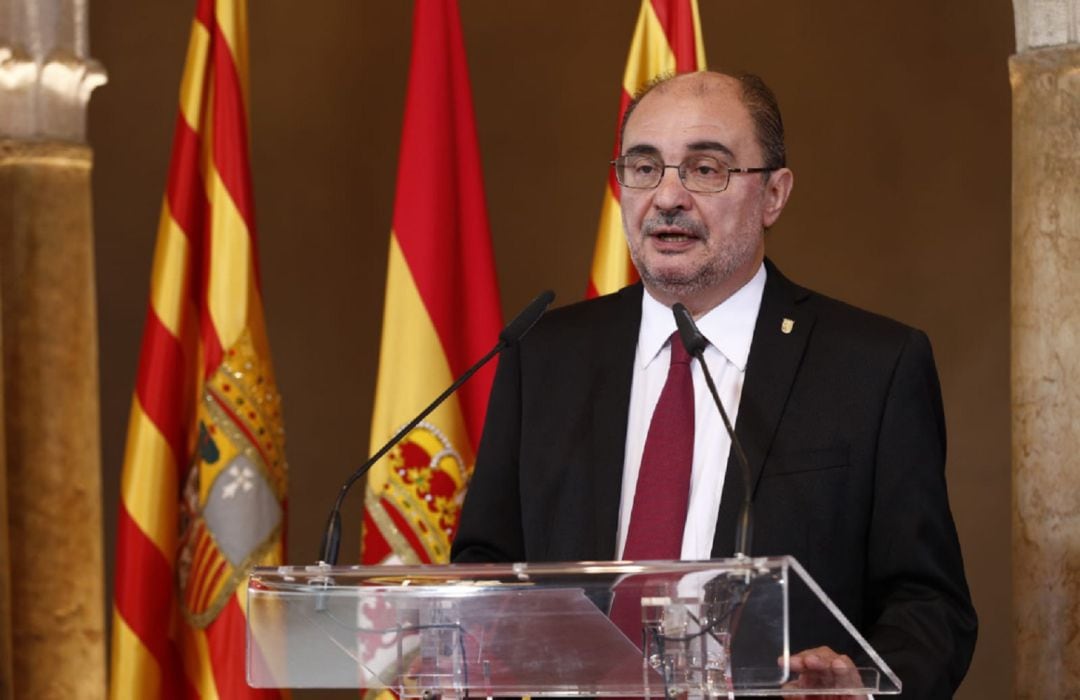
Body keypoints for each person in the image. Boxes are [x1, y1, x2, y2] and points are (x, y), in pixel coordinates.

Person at [451, 70, 977, 698]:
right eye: (644, 168)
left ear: (774, 195)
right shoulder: (543, 353)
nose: (667, 197)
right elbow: (485, 564)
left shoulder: (872, 365)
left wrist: (862, 685)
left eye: (705, 169)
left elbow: (929, 606)